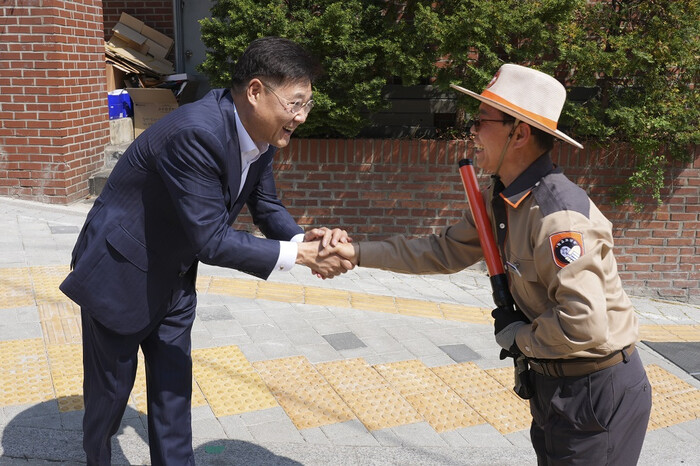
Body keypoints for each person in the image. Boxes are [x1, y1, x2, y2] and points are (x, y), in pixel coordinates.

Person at [326, 64, 652, 465]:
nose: (472, 131)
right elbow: (444, 250)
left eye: (481, 121)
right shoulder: (501, 197)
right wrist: (356, 253)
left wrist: (520, 338)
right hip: (556, 383)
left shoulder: (558, 217)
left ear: (520, 134)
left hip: (594, 389)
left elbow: (583, 324)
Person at [60, 37, 353, 465]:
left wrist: (300, 241)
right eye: (294, 104)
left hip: (175, 276)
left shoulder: (260, 135)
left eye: (307, 104)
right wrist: (302, 259)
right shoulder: (196, 132)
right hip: (120, 270)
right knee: (109, 397)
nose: (301, 116)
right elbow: (211, 239)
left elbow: (266, 205)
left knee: (173, 393)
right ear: (256, 91)